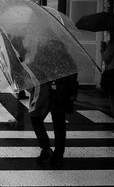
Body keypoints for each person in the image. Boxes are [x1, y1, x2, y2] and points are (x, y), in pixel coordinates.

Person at [28, 39, 78, 168]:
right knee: (59, 127)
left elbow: (34, 71)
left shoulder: (43, 53)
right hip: (60, 96)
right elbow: (73, 77)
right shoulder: (67, 58)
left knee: (36, 120)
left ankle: (46, 149)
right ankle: (58, 156)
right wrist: (71, 96)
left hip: (45, 95)